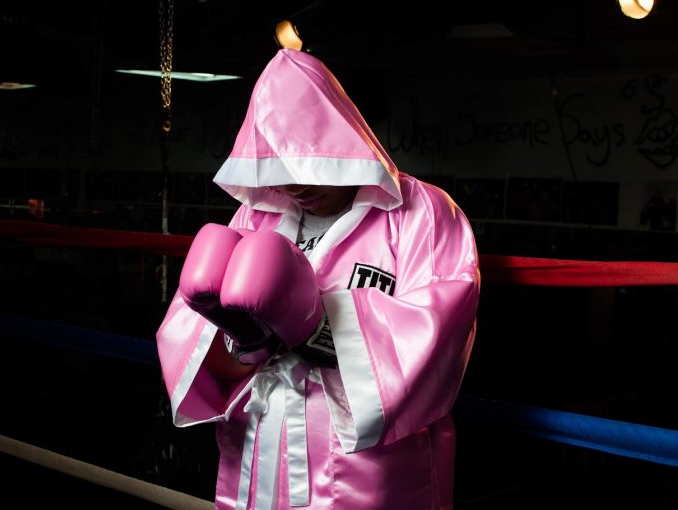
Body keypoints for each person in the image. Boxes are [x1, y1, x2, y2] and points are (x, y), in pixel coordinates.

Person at [156, 48, 480, 510]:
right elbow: (192, 349)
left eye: (306, 164)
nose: (293, 185)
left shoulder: (422, 212)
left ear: (338, 141)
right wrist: (243, 339)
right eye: (276, 167)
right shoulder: (254, 215)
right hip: (262, 449)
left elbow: (442, 332)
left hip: (367, 474)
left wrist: (321, 329)